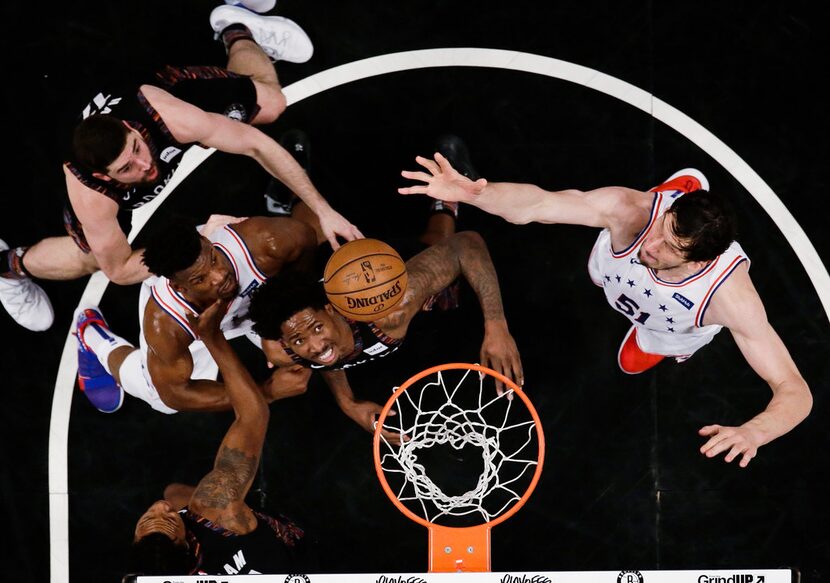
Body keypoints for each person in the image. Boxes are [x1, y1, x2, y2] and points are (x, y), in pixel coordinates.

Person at [398, 151, 813, 468]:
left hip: (668, 326)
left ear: (700, 262)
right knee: (606, 262)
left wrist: (755, 432)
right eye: (664, 228)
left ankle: (650, 340)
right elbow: (538, 206)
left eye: (672, 248)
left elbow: (796, 391)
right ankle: (680, 189)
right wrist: (478, 193)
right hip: (614, 273)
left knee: (635, 359)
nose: (652, 246)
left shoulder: (730, 297)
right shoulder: (631, 211)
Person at [0, 1, 361, 332]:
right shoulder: (93, 195)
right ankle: (7, 267)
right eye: (128, 168)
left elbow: (255, 145)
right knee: (91, 259)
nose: (146, 166)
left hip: (158, 96)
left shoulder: (165, 116)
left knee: (270, 103)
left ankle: (235, 23)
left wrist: (322, 210)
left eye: (138, 148)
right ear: (103, 177)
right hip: (103, 184)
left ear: (130, 129)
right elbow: (121, 269)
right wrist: (201, 239)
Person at [248, 229, 524, 445]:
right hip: (331, 294)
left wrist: (496, 327)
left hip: (384, 273)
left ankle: (445, 205)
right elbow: (328, 359)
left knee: (436, 246)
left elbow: (466, 244)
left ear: (331, 310)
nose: (315, 346)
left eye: (317, 329)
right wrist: (348, 403)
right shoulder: (282, 351)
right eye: (299, 341)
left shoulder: (391, 311)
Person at [128, 297, 306, 576]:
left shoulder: (161, 564)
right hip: (306, 559)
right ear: (185, 545)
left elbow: (171, 499)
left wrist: (174, 515)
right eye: (169, 519)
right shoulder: (218, 508)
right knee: (162, 400)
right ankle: (98, 344)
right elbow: (252, 415)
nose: (160, 509)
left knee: (173, 493)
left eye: (150, 517)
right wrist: (212, 335)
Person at [75, 213, 318, 415]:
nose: (219, 276)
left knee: (305, 337)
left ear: (209, 242)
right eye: (201, 279)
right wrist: (266, 392)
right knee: (160, 400)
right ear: (181, 287)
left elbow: (305, 239)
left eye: (214, 259)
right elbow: (176, 393)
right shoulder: (167, 323)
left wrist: (282, 317)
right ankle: (92, 336)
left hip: (256, 301)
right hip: (202, 327)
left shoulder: (264, 242)